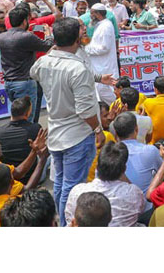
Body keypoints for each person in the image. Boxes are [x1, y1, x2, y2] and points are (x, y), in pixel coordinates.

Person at [29, 17, 107, 225]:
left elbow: (33, 71)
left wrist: (53, 51)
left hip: (56, 132)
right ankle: (65, 224)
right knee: (71, 188)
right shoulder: (76, 69)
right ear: (76, 39)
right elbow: (84, 110)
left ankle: (61, 221)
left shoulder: (44, 61)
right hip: (77, 135)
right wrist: (98, 130)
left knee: (61, 184)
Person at [65, 142, 146, 227]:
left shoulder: (77, 191)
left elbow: (69, 219)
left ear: (97, 166)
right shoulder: (134, 193)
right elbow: (142, 208)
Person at [0, 7, 54, 125]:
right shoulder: (26, 37)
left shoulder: (1, 37)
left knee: (16, 118)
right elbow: (48, 45)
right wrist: (48, 33)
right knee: (27, 118)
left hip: (9, 82)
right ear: (24, 21)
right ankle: (28, 141)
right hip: (24, 82)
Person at [0, 96, 42, 180]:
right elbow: (41, 150)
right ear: (27, 113)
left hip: (7, 177)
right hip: (31, 177)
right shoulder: (35, 128)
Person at [84, 4, 119, 105]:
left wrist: (86, 49)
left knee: (106, 91)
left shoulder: (106, 26)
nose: (90, 16)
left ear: (98, 14)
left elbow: (104, 48)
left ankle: (120, 110)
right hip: (99, 65)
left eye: (92, 13)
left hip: (105, 66)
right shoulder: (100, 25)